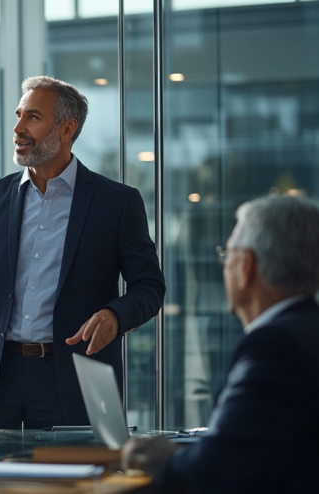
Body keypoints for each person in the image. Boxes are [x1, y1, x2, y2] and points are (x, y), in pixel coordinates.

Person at [0, 75, 165, 429]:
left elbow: (150, 286)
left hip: (73, 376)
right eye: (19, 115)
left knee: (73, 467)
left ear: (67, 129)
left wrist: (115, 316)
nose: (18, 127)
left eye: (33, 117)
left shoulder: (117, 202)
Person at [122, 196, 319, 494]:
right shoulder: (306, 330)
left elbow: (217, 470)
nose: (223, 267)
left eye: (227, 255)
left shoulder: (275, 347)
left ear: (246, 267)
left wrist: (164, 458)